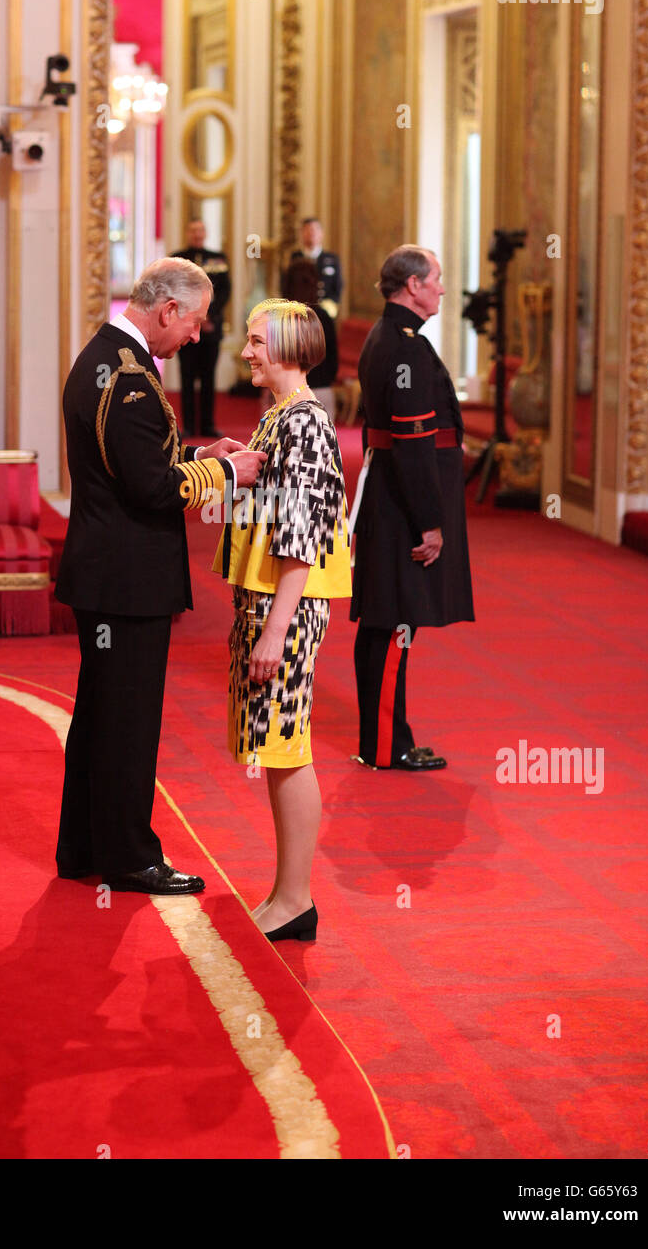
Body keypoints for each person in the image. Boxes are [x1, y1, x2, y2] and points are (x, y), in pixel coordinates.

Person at [55, 258, 265, 895]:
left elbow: (139, 455)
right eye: (196, 322)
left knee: (99, 714)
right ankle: (129, 856)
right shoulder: (131, 378)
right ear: (168, 310)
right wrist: (230, 475)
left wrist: (201, 453)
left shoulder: (108, 357)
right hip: (126, 577)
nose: (198, 337)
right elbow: (150, 486)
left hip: (105, 570)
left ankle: (83, 846)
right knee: (128, 719)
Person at [213, 298, 351, 941]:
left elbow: (301, 534)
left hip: (284, 608)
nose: (246, 352)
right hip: (268, 602)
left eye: (257, 341)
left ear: (291, 350)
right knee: (275, 748)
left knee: (289, 750)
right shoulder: (280, 419)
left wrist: (274, 628)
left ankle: (296, 899)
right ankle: (286, 892)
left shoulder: (303, 424)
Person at [349, 246, 474, 770]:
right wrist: (431, 523)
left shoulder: (394, 339)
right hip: (405, 509)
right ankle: (386, 745)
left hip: (391, 498)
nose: (443, 289)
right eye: (437, 280)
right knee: (397, 623)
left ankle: (391, 736)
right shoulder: (404, 350)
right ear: (414, 286)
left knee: (389, 623)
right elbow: (414, 444)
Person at [172, 220, 231, 439]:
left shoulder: (218, 258)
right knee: (186, 378)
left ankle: (207, 425)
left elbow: (225, 291)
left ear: (205, 233)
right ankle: (187, 426)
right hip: (184, 329)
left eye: (200, 230)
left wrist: (207, 316)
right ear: (187, 232)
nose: (197, 233)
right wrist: (192, 317)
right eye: (193, 230)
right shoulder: (176, 259)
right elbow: (173, 291)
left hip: (211, 328)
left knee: (209, 378)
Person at [282, 217, 342, 415]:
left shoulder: (331, 259)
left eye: (315, 230)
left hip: (322, 317)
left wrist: (324, 312)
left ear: (321, 233)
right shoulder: (294, 257)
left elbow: (337, 289)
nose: (311, 234)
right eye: (307, 230)